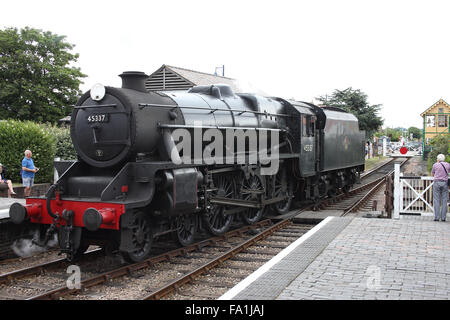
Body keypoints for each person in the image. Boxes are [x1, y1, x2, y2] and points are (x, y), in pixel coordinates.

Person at [431, 153, 449, 222]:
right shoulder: (447, 164)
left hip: (437, 183)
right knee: (444, 200)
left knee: (436, 200)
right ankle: (443, 218)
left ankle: (437, 217)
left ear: (438, 159)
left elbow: (432, 174)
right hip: (445, 183)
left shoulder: (435, 165)